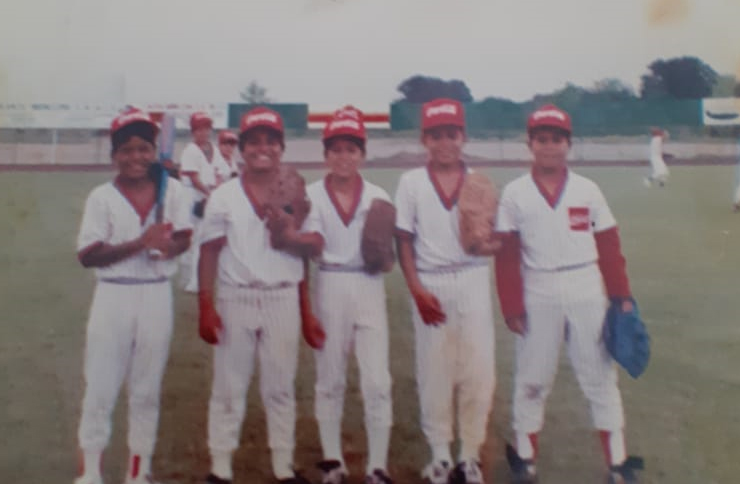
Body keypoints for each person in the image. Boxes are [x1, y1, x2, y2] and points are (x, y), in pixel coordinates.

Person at [494, 104, 642, 484]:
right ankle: (525, 461)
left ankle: (618, 463)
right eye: (542, 140)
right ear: (530, 144)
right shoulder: (515, 193)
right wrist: (511, 305)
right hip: (537, 288)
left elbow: (609, 246)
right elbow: (507, 257)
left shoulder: (587, 189)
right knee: (532, 376)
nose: (549, 147)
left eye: (557, 140)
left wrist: (621, 296)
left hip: (585, 287)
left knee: (598, 376)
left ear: (568, 145)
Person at [196, 106, 323, 484]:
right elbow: (209, 251)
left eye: (271, 141)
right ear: (241, 148)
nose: (262, 149)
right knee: (229, 386)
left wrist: (291, 234)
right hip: (236, 295)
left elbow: (313, 248)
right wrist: (205, 304)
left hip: (282, 296)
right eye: (253, 142)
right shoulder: (224, 195)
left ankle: (283, 467)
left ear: (282, 148)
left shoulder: (295, 190)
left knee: (280, 386)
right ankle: (220, 467)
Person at [73, 108, 193, 484]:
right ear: (115, 155)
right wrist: (141, 242)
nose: (136, 157)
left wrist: (167, 247)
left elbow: (185, 236)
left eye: (144, 149)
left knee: (146, 391)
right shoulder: (101, 197)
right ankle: (90, 474)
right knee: (100, 389)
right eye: (127, 150)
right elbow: (88, 255)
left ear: (155, 151)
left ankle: (138, 473)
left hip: (156, 296)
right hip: (113, 297)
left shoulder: (172, 191)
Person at [394, 98, 497, 484]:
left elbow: (494, 238)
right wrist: (416, 289)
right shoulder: (412, 182)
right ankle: (439, 453)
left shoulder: (479, 182)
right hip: (431, 280)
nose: (444, 143)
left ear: (463, 136)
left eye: (451, 134)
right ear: (424, 139)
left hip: (471, 276)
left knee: (478, 369)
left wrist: (489, 244)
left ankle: (469, 455)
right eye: (435, 135)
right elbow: (403, 240)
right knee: (434, 369)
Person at [303, 106, 394, 484]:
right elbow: (307, 250)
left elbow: (387, 256)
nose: (343, 157)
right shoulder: (310, 195)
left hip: (367, 286)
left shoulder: (378, 195)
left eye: (351, 149)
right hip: (330, 282)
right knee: (330, 378)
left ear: (362, 154)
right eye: (336, 149)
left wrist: (382, 255)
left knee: (376, 379)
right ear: (326, 154)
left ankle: (377, 465)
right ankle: (333, 462)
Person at [179, 112, 230, 292]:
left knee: (201, 238)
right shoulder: (190, 150)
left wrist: (217, 186)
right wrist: (210, 193)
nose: (204, 132)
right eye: (199, 129)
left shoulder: (213, 149)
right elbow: (193, 178)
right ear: (193, 132)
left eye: (207, 128)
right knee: (192, 239)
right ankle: (189, 280)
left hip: (207, 195)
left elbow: (223, 171)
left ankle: (193, 280)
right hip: (191, 195)